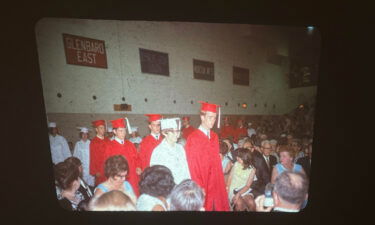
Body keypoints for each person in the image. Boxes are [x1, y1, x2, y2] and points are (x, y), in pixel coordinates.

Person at [184, 101, 230, 211]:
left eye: (214, 118)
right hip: (202, 181)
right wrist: (199, 186)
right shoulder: (193, 138)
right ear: (202, 117)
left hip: (216, 181)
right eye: (210, 117)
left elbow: (217, 163)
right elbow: (192, 166)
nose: (213, 121)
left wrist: (221, 183)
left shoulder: (214, 136)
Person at [104, 118, 141, 196]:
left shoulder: (130, 144)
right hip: (119, 178)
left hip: (132, 177)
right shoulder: (110, 146)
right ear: (114, 131)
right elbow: (108, 165)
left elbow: (137, 158)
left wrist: (138, 167)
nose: (123, 133)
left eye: (124, 130)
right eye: (121, 131)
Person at [150, 117, 191, 185]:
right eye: (173, 132)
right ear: (165, 133)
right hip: (167, 190)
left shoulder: (180, 148)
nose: (177, 135)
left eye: (178, 131)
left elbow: (186, 170)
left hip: (182, 189)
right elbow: (155, 177)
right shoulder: (158, 151)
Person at [90, 120, 111, 186]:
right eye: (101, 128)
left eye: (104, 128)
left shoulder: (107, 140)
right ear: (96, 129)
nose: (103, 130)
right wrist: (95, 171)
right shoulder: (93, 142)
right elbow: (92, 157)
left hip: (108, 168)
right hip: (99, 169)